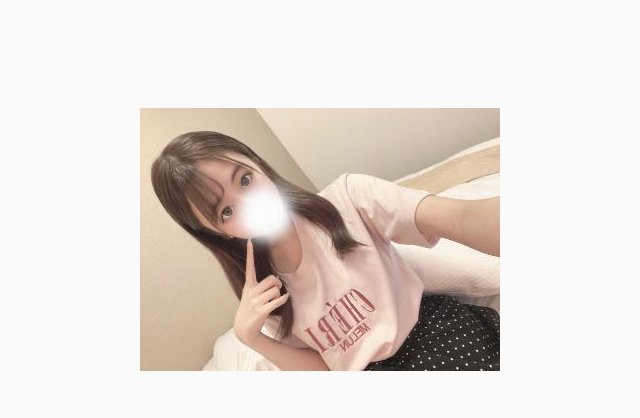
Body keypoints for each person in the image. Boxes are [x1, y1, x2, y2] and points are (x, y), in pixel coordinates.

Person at [150, 131, 500, 371]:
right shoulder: (264, 293)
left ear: (257, 164)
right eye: (226, 211)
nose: (250, 202)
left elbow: (459, 218)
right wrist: (251, 338)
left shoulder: (349, 198)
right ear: (214, 231)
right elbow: (325, 370)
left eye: (244, 179)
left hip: (431, 337)